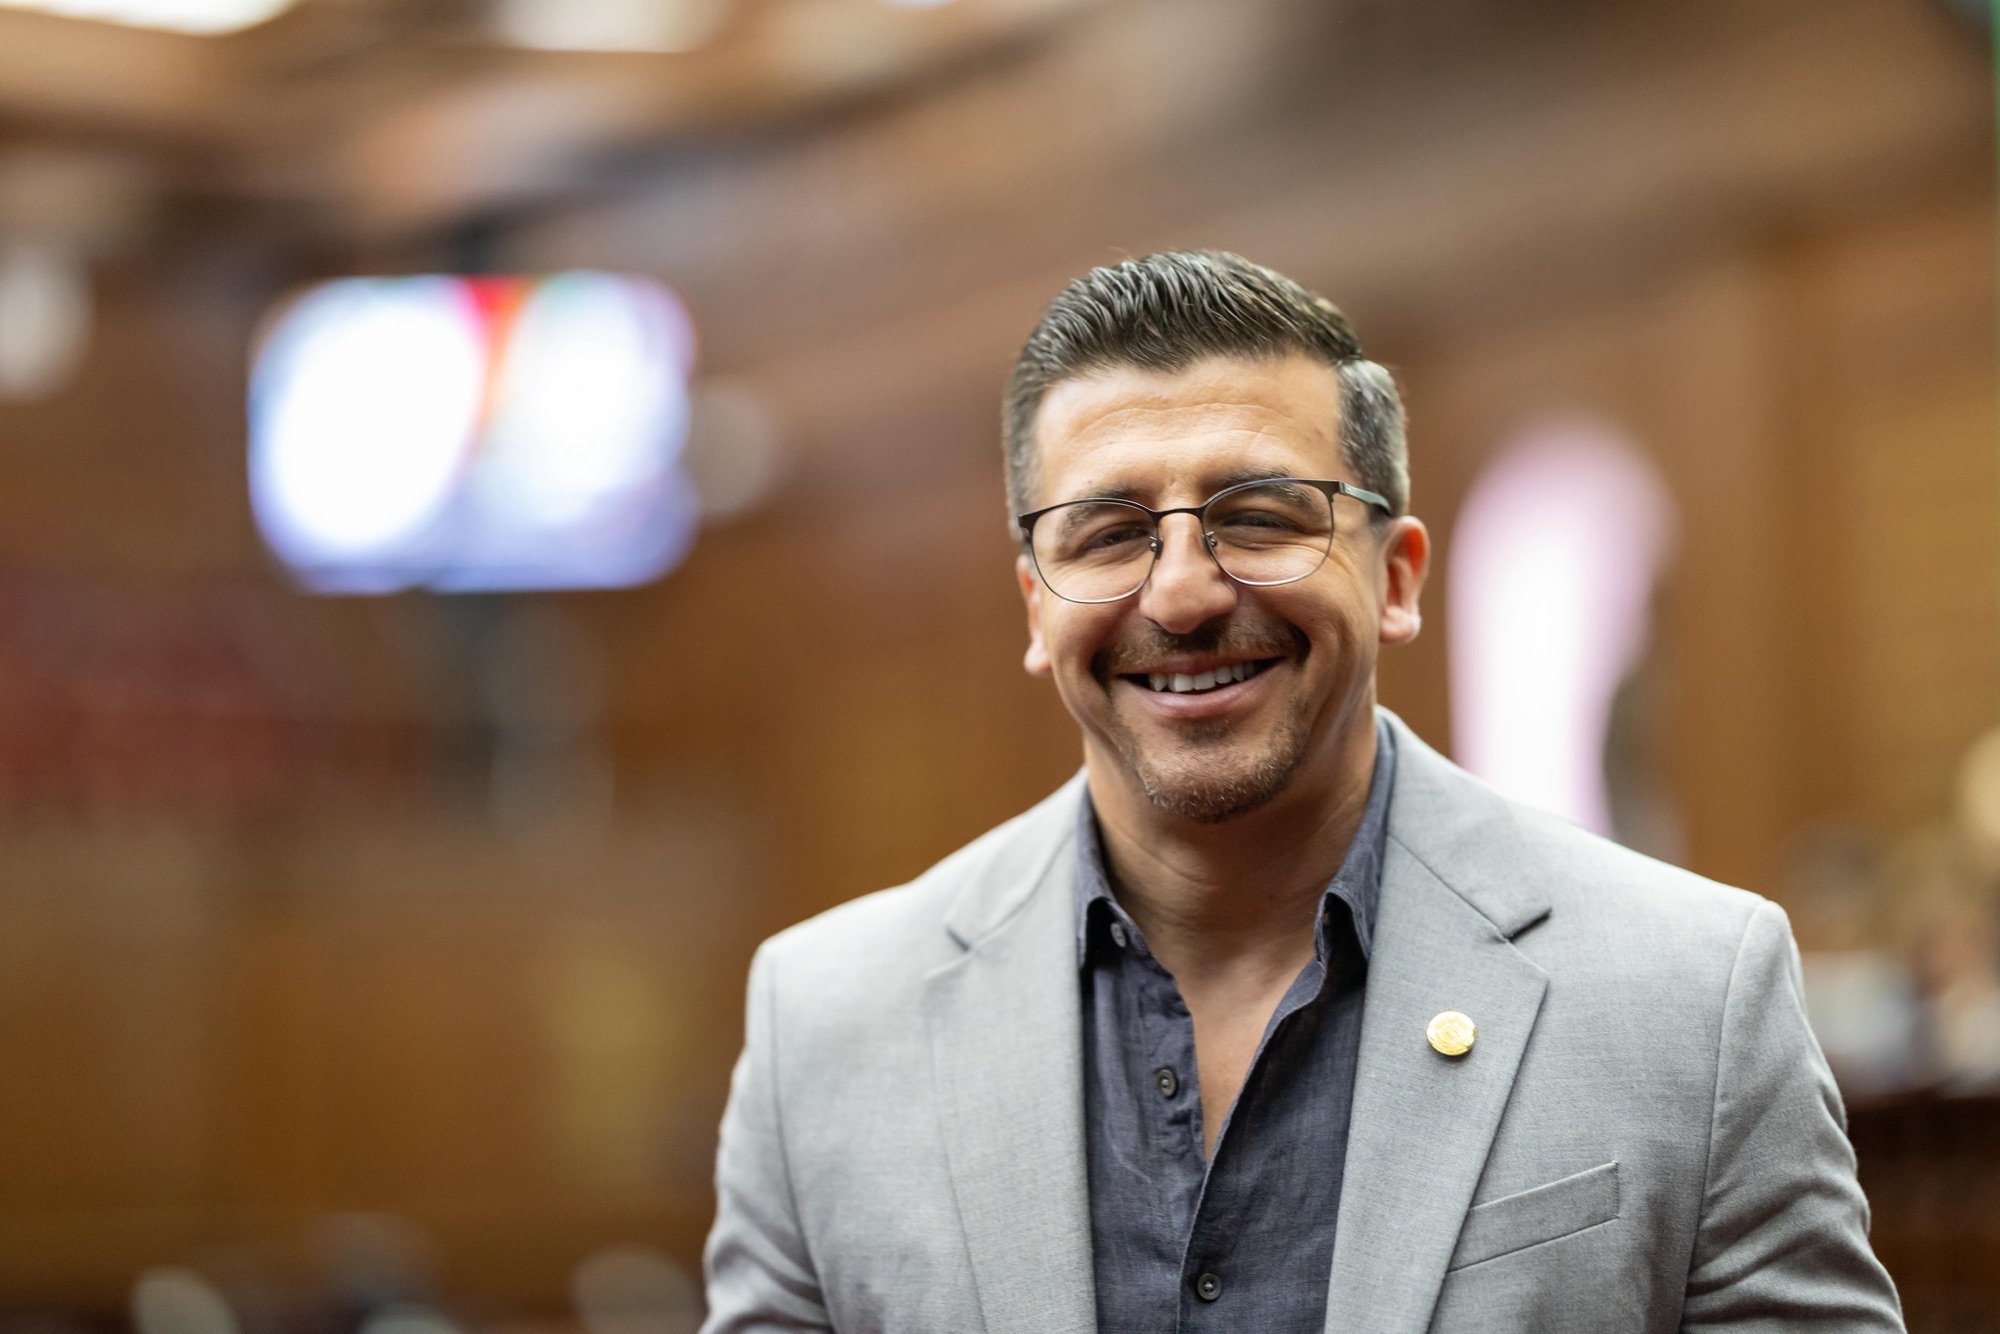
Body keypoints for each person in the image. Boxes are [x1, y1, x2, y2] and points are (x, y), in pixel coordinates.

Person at [698, 251, 1903, 1332]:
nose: (1180, 593)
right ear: (1034, 603)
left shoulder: (1691, 994)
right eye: (1107, 533)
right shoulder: (825, 1029)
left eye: (1259, 516)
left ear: (1395, 577)